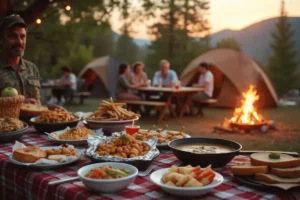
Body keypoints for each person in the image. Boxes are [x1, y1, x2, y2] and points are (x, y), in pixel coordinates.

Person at [0, 15, 41, 104]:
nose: (19, 42)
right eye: (13, 36)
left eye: (22, 36)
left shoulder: (32, 69)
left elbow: (38, 103)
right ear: (1, 39)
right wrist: (19, 104)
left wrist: (49, 109)